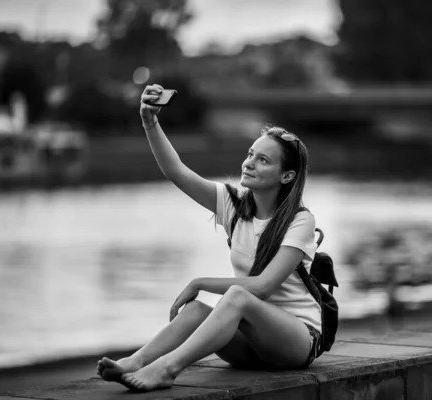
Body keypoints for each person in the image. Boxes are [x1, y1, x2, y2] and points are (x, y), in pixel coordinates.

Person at [96, 84, 321, 391]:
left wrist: (198, 282)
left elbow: (264, 286)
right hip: (252, 346)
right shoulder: (235, 205)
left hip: (296, 340)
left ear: (287, 176)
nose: (250, 163)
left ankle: (166, 369)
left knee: (239, 296)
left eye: (263, 161)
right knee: (197, 311)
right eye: (250, 154)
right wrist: (150, 121)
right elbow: (176, 171)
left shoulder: (300, 220)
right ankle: (137, 361)